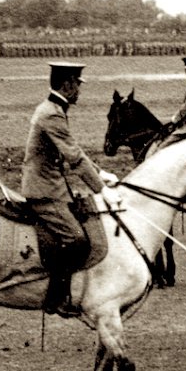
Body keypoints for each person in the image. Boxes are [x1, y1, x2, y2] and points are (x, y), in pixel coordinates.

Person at [21, 62, 121, 315]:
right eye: (77, 84)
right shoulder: (51, 113)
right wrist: (101, 189)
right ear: (67, 85)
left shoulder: (53, 109)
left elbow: (73, 150)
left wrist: (100, 173)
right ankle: (56, 298)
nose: (79, 90)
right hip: (43, 190)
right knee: (75, 239)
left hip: (51, 186)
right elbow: (74, 156)